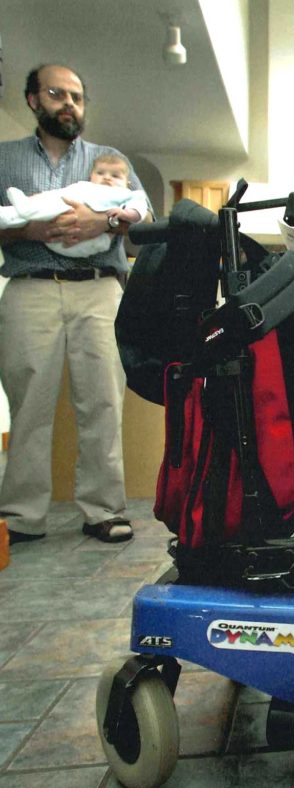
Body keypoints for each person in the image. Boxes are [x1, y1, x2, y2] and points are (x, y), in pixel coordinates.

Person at [0, 64, 152, 545]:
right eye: (57, 94)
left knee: (104, 400)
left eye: (77, 97)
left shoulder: (108, 158)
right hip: (30, 287)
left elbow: (143, 216)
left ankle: (104, 510)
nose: (69, 104)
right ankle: (21, 516)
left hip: (99, 287)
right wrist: (31, 229)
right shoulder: (4, 160)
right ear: (32, 100)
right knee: (28, 404)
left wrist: (101, 225)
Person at [0, 153, 148, 258]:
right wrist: (38, 200)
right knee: (52, 205)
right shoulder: (85, 187)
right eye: (100, 173)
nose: (107, 178)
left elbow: (142, 214)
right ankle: (11, 213)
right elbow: (59, 194)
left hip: (92, 246)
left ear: (127, 183)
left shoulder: (128, 194)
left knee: (46, 208)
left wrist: (116, 219)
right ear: (91, 176)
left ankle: (25, 207)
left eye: (115, 176)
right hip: (55, 240)